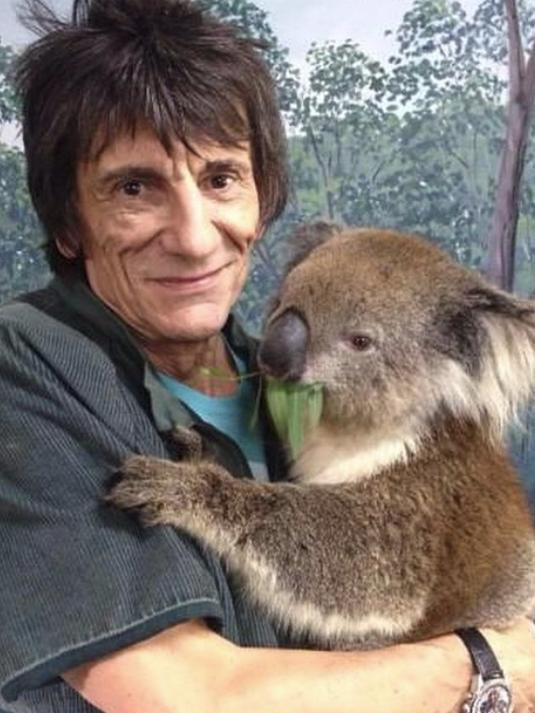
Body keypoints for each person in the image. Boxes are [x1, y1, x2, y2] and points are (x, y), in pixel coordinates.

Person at [0, 1, 535, 712]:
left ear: (261, 199)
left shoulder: (280, 385)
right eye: (135, 187)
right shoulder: (28, 367)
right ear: (69, 222)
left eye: (221, 178)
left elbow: (378, 565)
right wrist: (492, 664)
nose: (194, 237)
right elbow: (189, 698)